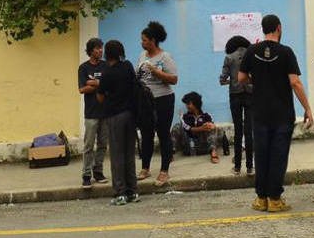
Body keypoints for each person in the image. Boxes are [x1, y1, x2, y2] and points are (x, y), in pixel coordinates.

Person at [239, 14, 313, 212]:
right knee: (278, 154)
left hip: (260, 113)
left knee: (261, 154)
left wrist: (258, 81)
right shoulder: (286, 52)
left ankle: (261, 198)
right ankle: (274, 199)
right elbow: (295, 82)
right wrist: (307, 108)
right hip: (282, 114)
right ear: (278, 28)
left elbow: (241, 78)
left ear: (263, 29)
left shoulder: (252, 51)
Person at [96, 40, 139, 206]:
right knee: (129, 154)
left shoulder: (107, 72)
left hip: (115, 116)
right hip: (131, 115)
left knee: (117, 155)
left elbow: (100, 96)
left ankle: (120, 193)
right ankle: (133, 191)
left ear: (107, 53)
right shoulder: (127, 66)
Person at [136, 21, 178, 187]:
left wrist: (156, 71)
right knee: (146, 134)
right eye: (142, 40)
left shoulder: (165, 57)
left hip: (163, 99)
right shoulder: (141, 56)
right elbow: (137, 76)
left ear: (153, 41)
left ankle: (164, 171)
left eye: (144, 40)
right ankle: (145, 167)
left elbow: (174, 79)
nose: (142, 43)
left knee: (163, 133)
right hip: (145, 101)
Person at [220, 35, 254, 176]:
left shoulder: (229, 57)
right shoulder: (252, 56)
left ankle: (237, 167)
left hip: (235, 95)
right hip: (250, 94)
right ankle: (250, 167)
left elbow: (222, 79)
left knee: (238, 131)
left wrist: (232, 81)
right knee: (249, 131)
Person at [78, 37, 108, 188]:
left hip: (105, 112)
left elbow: (109, 86)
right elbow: (82, 89)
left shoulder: (106, 66)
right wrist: (100, 85)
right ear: (91, 51)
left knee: (103, 144)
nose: (100, 51)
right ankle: (86, 175)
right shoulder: (84, 68)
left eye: (101, 48)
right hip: (91, 113)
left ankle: (98, 171)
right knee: (89, 145)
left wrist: (94, 82)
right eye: (97, 48)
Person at [171, 92, 224, 164]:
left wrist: (211, 126)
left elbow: (212, 128)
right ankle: (170, 153)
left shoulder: (206, 116)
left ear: (196, 104)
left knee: (213, 127)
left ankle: (213, 152)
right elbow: (188, 129)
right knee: (177, 127)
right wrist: (201, 128)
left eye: (188, 104)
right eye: (186, 104)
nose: (187, 106)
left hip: (203, 147)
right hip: (188, 148)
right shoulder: (185, 117)